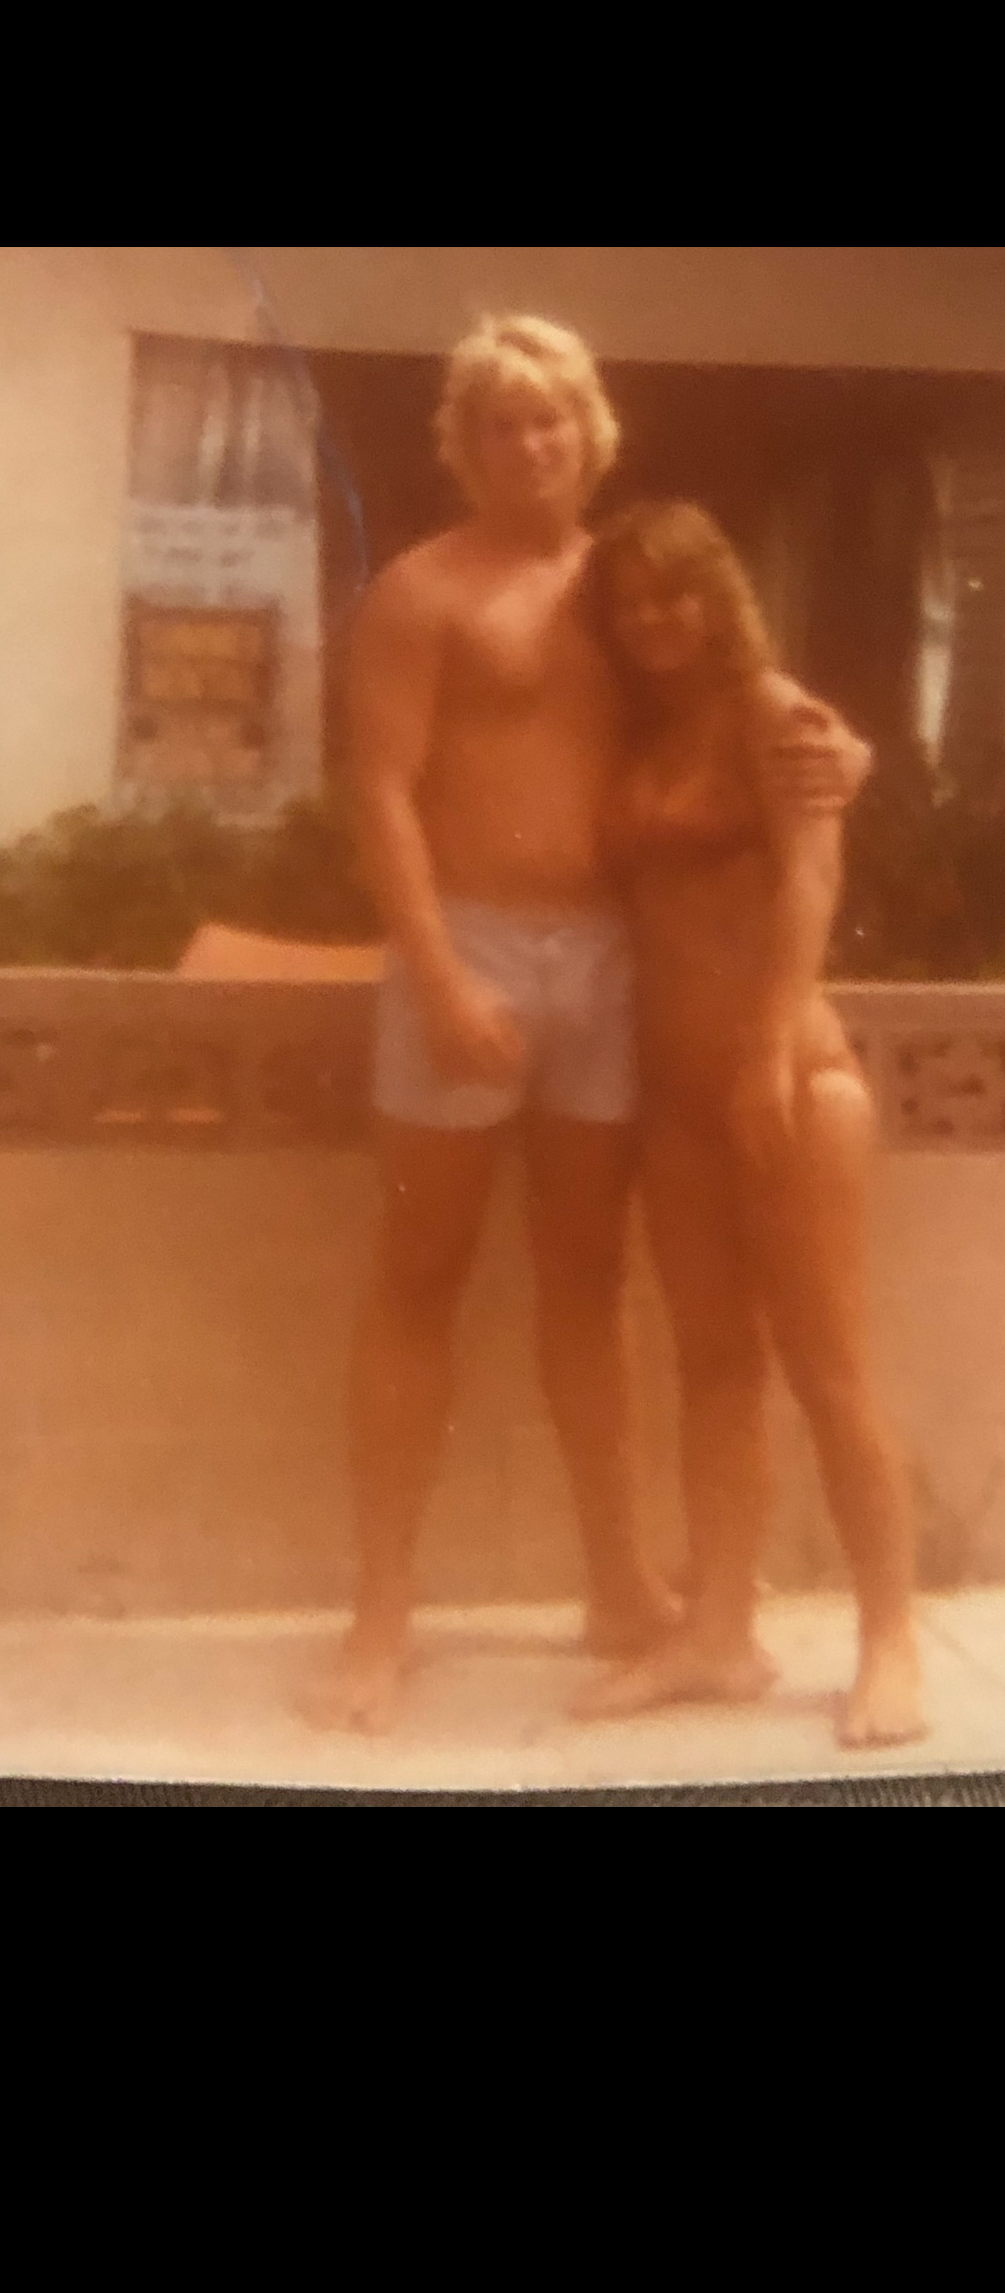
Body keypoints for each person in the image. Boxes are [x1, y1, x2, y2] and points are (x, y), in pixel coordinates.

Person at [303, 319, 871, 1734]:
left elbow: (737, 703)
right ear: (463, 445)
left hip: (609, 965)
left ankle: (619, 1582)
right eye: (499, 424)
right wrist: (440, 976)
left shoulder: (627, 589)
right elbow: (380, 794)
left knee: (587, 1279)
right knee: (420, 1271)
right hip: (470, 946)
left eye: (549, 419)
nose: (527, 445)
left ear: (591, 433)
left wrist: (836, 755)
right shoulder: (421, 592)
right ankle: (382, 1616)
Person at [574, 500, 924, 1747]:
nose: (653, 620)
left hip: (786, 1086)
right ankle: (719, 1630)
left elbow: (815, 874)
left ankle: (891, 1642)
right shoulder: (642, 733)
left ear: (719, 593)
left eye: (675, 592)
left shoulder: (773, 712)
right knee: (714, 1367)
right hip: (678, 1104)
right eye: (630, 603)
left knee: (829, 1370)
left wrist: (771, 1043)